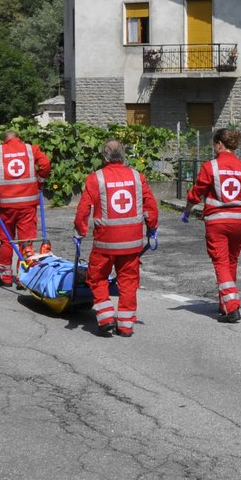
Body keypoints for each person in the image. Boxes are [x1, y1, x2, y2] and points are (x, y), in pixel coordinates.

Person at [73, 139, 159, 337]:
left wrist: (80, 232)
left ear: (104, 156)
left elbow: (83, 209)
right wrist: (152, 229)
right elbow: (151, 206)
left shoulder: (96, 178)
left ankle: (105, 319)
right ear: (124, 154)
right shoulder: (137, 177)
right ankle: (126, 326)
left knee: (96, 277)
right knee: (128, 281)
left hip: (105, 243)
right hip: (131, 243)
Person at [185, 127, 241, 323]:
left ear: (219, 144)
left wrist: (187, 210)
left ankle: (232, 308)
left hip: (216, 223)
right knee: (231, 261)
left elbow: (197, 192)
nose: (214, 148)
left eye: (215, 144)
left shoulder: (210, 167)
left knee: (220, 262)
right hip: (237, 222)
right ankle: (224, 304)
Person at [0, 129, 52, 287]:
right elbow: (45, 164)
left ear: (4, 140)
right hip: (28, 204)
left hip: (6, 206)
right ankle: (23, 276)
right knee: (26, 240)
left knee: (6, 240)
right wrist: (40, 181)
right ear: (18, 138)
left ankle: (5, 276)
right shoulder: (30, 149)